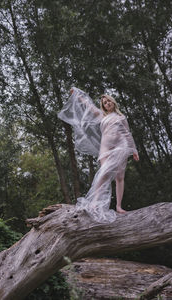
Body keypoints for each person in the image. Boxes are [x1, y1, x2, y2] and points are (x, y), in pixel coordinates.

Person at [58, 87, 139, 223]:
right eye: (105, 103)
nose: (107, 103)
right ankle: (95, 202)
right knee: (104, 173)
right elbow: (89, 106)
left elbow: (127, 133)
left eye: (109, 101)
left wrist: (134, 150)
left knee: (119, 176)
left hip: (121, 146)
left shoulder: (121, 117)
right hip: (106, 147)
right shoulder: (102, 116)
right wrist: (78, 95)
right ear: (103, 106)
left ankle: (119, 206)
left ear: (113, 102)